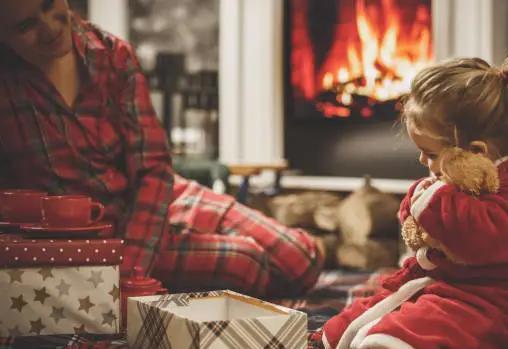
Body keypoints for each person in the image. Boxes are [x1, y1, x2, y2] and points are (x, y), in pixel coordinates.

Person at [0, 0, 323, 298]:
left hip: (162, 197)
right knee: (247, 263)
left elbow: (153, 168)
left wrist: (134, 264)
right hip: (96, 235)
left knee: (302, 259)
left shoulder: (112, 54)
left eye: (48, 4)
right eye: (26, 26)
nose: (50, 27)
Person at [322, 56, 508, 349]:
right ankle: (392, 341)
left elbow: (475, 236)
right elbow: (421, 218)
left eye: (433, 155)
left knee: (391, 348)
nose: (423, 160)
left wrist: (434, 198)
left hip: (489, 310)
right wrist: (426, 199)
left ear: (476, 153)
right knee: (339, 329)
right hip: (446, 291)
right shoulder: (471, 176)